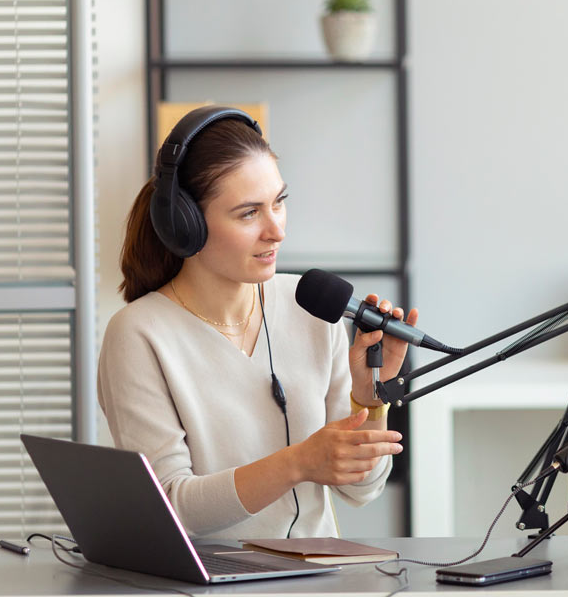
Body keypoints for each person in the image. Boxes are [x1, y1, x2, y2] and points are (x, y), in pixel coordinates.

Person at [98, 106, 409, 540]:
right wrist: (298, 462)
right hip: (204, 594)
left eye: (279, 203)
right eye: (248, 213)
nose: (276, 230)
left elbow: (362, 490)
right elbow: (169, 506)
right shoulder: (139, 334)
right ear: (185, 225)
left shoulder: (311, 306)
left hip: (316, 586)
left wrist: (367, 395)